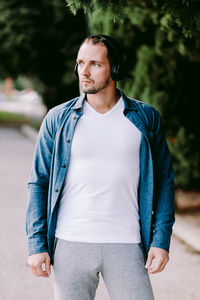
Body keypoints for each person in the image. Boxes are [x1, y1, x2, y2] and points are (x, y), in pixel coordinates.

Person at [26, 34, 175, 300]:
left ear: (114, 68)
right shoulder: (58, 119)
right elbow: (39, 181)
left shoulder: (145, 118)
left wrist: (160, 240)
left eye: (95, 63)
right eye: (80, 62)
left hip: (127, 242)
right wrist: (36, 244)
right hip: (71, 242)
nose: (84, 71)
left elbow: (164, 181)